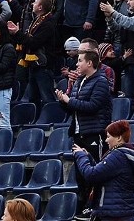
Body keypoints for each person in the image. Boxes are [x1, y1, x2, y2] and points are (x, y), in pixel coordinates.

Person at [55, 49, 111, 214]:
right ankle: (84, 207)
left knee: (95, 171)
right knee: (81, 175)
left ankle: (95, 207)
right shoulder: (79, 81)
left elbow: (92, 107)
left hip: (95, 133)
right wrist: (63, 102)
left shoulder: (101, 81)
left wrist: (69, 100)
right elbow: (72, 109)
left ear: (90, 63)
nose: (77, 64)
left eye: (80, 60)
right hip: (79, 133)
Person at [72, 120, 134, 221]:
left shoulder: (118, 156)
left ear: (119, 138)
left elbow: (91, 175)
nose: (106, 140)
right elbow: (102, 173)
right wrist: (88, 156)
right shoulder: (122, 155)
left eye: (109, 136)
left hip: (114, 214)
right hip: (118, 211)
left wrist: (81, 156)